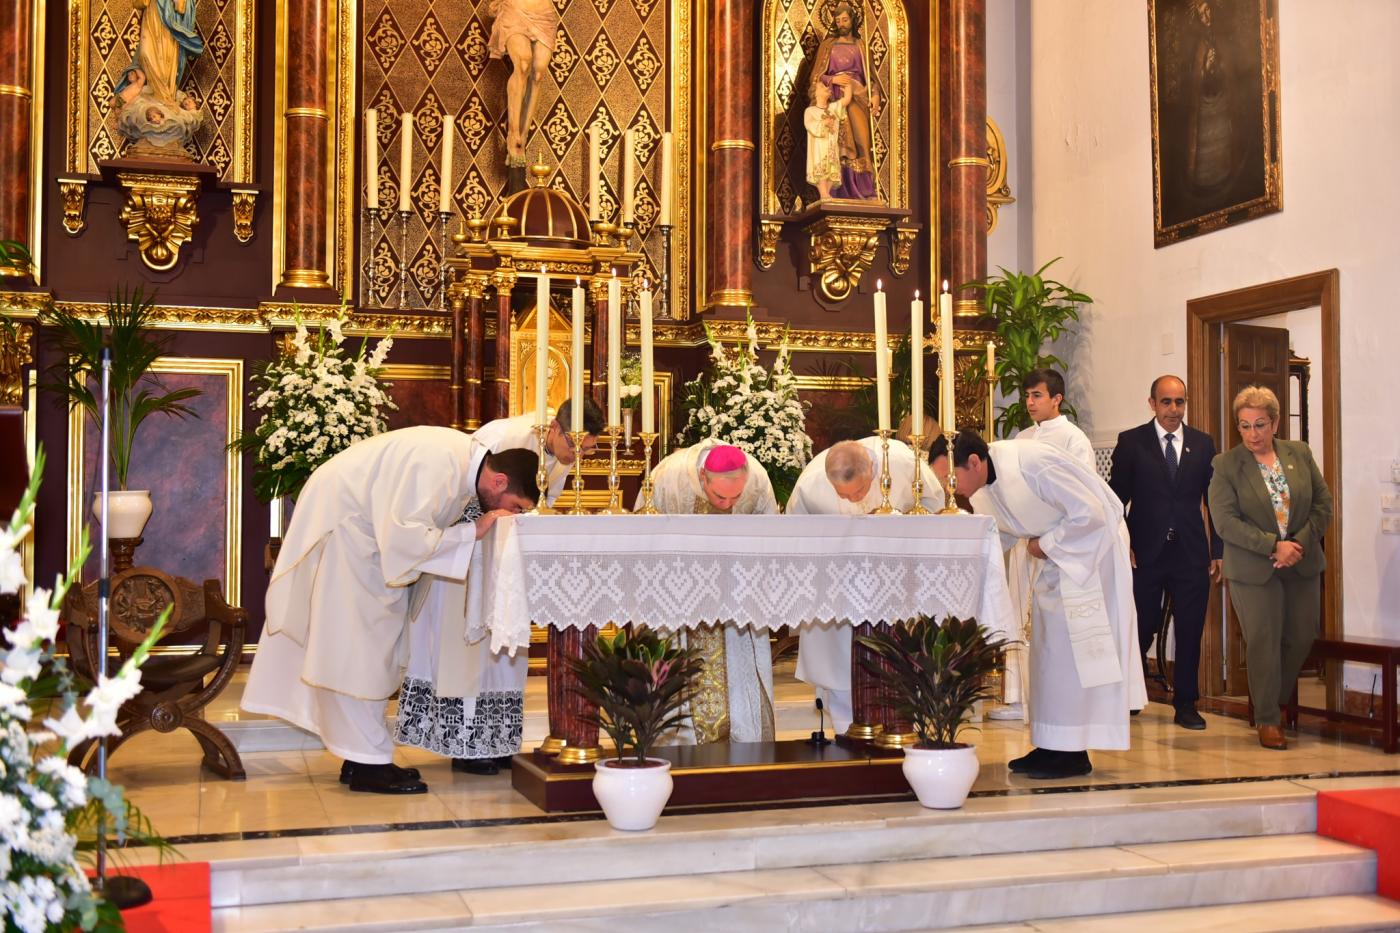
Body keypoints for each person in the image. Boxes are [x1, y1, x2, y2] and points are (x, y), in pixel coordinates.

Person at [241, 427, 539, 794]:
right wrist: (471, 532)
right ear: (499, 480)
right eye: (515, 506)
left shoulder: (458, 462)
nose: (508, 513)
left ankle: (360, 757)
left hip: (363, 540)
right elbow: (406, 538)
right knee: (361, 651)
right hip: (350, 541)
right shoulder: (441, 465)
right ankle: (369, 765)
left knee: (370, 648)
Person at [394, 399, 604, 775]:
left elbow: (541, 506)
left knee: (506, 649)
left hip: (506, 561)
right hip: (465, 557)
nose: (578, 457)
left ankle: (496, 739)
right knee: (467, 648)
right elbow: (466, 492)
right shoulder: (505, 437)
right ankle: (465, 744)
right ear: (556, 428)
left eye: (586, 450)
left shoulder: (562, 453)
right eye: (575, 446)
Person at [953, 430, 1144, 779]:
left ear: (974, 463)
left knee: (1074, 659)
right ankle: (1051, 742)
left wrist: (1046, 544)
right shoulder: (983, 488)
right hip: (1059, 559)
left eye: (952, 477)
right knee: (1049, 655)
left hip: (1091, 556)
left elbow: (1092, 514)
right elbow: (1001, 533)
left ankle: (1073, 753)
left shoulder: (1032, 464)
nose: (952, 487)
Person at [789, 438, 944, 733]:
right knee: (836, 661)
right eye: (842, 495)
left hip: (896, 582)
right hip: (837, 586)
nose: (852, 500)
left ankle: (902, 725)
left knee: (898, 658)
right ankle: (844, 728)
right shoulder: (810, 484)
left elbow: (935, 509)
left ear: (872, 469)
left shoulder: (902, 463)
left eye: (859, 491)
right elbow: (796, 537)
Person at [1208, 385, 1332, 751]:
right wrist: (1272, 546)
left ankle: (1271, 700)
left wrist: (1297, 545)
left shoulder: (1299, 453)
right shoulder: (1225, 465)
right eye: (1244, 426)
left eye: (1260, 424)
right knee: (1263, 640)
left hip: (1300, 561)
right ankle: (1267, 718)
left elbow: (1323, 504)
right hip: (1253, 567)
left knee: (1302, 636)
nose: (1252, 434)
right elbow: (1225, 522)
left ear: (1275, 423)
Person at [644, 441, 779, 743]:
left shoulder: (757, 479)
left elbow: (770, 536)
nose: (727, 504)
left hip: (735, 594)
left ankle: (744, 736)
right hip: (678, 595)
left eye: (736, 497)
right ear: (703, 477)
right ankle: (678, 741)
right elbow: (646, 535)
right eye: (720, 496)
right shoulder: (668, 477)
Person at [1110, 375, 1222, 730]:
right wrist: (1123, 543)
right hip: (1145, 553)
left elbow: (1215, 501)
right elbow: (1115, 499)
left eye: (1180, 402)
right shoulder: (1132, 442)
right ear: (1152, 404)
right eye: (1166, 402)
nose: (1174, 409)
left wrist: (1218, 550)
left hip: (1191, 553)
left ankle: (1186, 703)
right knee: (1142, 625)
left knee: (1189, 629)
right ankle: (1129, 694)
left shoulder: (1203, 444)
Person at [991, 368, 1097, 722]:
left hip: (1056, 544)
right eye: (1027, 396)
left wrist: (1051, 537)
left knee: (1050, 625)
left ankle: (1049, 699)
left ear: (1057, 399)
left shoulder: (1074, 439)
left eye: (1037, 395)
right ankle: (1017, 696)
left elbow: (1083, 494)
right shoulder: (1023, 437)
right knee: (1020, 614)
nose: (1030, 402)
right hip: (1027, 542)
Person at [808, 0, 879, 200]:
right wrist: (832, 79)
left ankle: (863, 190)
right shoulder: (827, 46)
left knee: (861, 142)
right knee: (836, 145)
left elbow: (871, 79)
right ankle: (836, 190)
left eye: (845, 19)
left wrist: (875, 95)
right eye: (838, 20)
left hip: (858, 96)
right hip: (835, 96)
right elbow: (816, 78)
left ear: (853, 20)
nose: (841, 24)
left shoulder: (861, 45)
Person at [486, 0, 559, 164]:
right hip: (516, 8)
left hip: (544, 12)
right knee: (523, 64)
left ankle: (523, 137)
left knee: (538, 74)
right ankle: (513, 134)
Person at [804, 81, 843, 201]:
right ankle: (823, 193)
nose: (826, 87)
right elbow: (809, 125)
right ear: (815, 93)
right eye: (822, 86)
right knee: (821, 169)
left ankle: (827, 192)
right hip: (819, 147)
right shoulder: (810, 111)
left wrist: (847, 87)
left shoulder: (832, 109)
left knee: (832, 169)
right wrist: (823, 123)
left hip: (831, 145)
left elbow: (845, 101)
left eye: (827, 86)